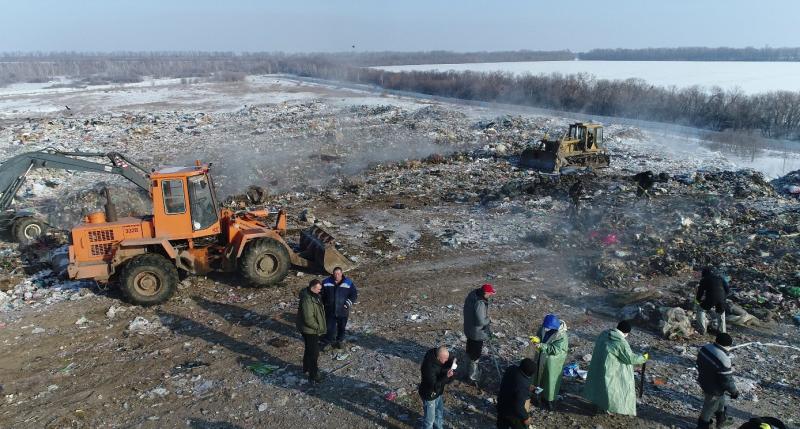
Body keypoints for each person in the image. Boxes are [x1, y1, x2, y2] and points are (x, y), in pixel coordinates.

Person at [582, 320, 648, 416]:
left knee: (599, 386)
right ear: (626, 333)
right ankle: (608, 407)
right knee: (611, 389)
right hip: (610, 369)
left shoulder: (604, 334)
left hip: (598, 365)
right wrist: (644, 357)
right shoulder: (620, 342)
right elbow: (630, 359)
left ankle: (598, 403)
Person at [696, 333, 739, 429]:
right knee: (709, 407)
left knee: (721, 399)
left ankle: (721, 420)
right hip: (714, 388)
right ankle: (703, 425)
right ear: (727, 345)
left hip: (703, 379)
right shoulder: (724, 359)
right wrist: (734, 391)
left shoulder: (705, 348)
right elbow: (726, 380)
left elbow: (698, 362)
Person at [532, 314, 569, 410]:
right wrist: (537, 340)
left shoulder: (561, 335)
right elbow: (540, 335)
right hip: (541, 356)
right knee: (538, 376)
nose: (546, 329)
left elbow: (556, 350)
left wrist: (541, 346)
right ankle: (536, 394)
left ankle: (549, 399)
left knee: (550, 379)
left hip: (552, 361)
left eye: (548, 328)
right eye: (545, 327)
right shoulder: (544, 327)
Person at [463, 283, 496, 383]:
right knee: (475, 355)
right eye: (490, 294)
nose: (490, 296)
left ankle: (467, 371)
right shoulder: (480, 303)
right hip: (477, 333)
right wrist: (489, 320)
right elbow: (481, 321)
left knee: (469, 351)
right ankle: (472, 376)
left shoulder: (472, 295)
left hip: (469, 329)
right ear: (485, 293)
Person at [296, 279, 326, 384]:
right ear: (312, 287)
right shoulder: (307, 300)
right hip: (310, 330)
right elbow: (308, 319)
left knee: (309, 349)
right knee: (314, 353)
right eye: (318, 289)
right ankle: (314, 374)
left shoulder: (313, 295)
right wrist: (318, 327)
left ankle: (306, 368)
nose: (320, 291)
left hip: (311, 329)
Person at [419, 346, 455, 429]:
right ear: (438, 358)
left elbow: (451, 357)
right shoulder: (428, 367)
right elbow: (434, 385)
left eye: (447, 358)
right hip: (429, 394)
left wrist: (453, 363)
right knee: (429, 419)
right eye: (445, 359)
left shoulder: (442, 357)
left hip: (438, 392)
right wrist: (446, 376)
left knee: (439, 413)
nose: (447, 361)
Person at [321, 267, 358, 349]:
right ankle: (328, 341)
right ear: (332, 274)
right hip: (330, 310)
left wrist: (347, 304)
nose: (337, 275)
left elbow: (353, 295)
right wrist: (324, 304)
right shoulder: (326, 282)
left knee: (342, 327)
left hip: (343, 310)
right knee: (330, 327)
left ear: (341, 273)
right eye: (335, 274)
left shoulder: (348, 282)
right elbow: (321, 294)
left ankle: (340, 341)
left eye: (338, 273)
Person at [496, 358, 536, 429]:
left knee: (501, 425)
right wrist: (526, 418)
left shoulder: (511, 368)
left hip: (501, 403)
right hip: (511, 413)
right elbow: (518, 407)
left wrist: (527, 385)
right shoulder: (523, 386)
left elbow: (514, 383)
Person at [696, 267, 731, 334]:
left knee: (701, 309)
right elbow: (727, 289)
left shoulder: (704, 279)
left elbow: (700, 291)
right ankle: (722, 332)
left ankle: (702, 330)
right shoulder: (720, 278)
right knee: (721, 313)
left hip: (711, 298)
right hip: (722, 298)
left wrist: (698, 300)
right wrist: (724, 297)